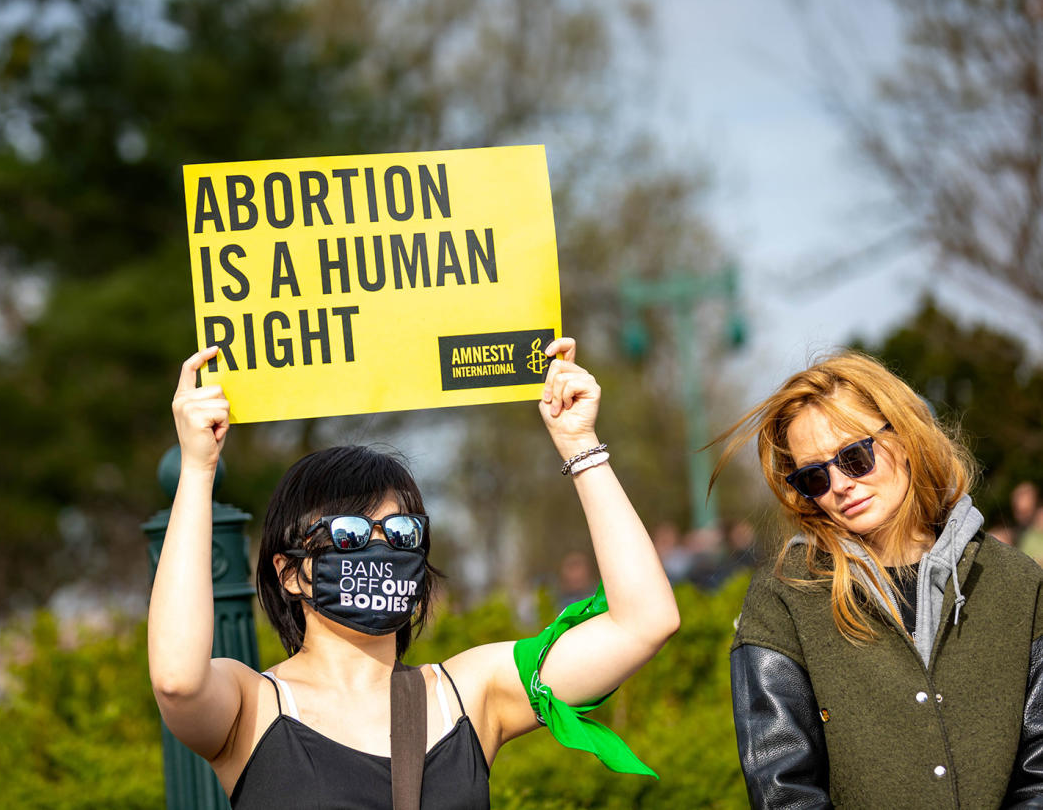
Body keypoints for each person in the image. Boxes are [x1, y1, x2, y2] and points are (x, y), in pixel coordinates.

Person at [149, 338, 680, 808]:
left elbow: (643, 623)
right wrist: (198, 470)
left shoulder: (468, 694)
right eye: (350, 533)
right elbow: (176, 680)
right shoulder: (251, 707)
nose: (378, 549)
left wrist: (580, 445)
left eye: (401, 532)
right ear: (289, 573)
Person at [712, 351, 1043, 809]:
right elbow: (784, 792)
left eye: (854, 456)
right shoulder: (783, 599)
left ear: (905, 437)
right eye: (814, 477)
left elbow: (1038, 775)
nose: (840, 485)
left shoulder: (1018, 583)